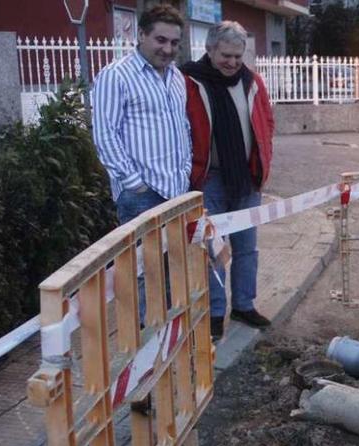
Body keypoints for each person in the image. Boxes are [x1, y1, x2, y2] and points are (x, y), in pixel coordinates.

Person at [91, 5, 191, 321]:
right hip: (141, 197)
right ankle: (147, 357)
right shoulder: (116, 76)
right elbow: (105, 136)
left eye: (174, 43)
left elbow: (182, 128)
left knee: (173, 274)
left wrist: (185, 171)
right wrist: (135, 185)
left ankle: (170, 346)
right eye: (160, 40)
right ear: (141, 35)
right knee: (146, 280)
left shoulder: (176, 77)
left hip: (176, 193)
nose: (168, 49)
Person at [181, 21, 274, 340]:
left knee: (247, 248)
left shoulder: (253, 82)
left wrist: (264, 161)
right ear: (208, 49)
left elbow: (267, 123)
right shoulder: (189, 81)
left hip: (246, 180)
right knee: (213, 249)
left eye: (238, 55)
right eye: (226, 55)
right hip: (209, 180)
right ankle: (215, 313)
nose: (233, 62)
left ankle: (244, 305)